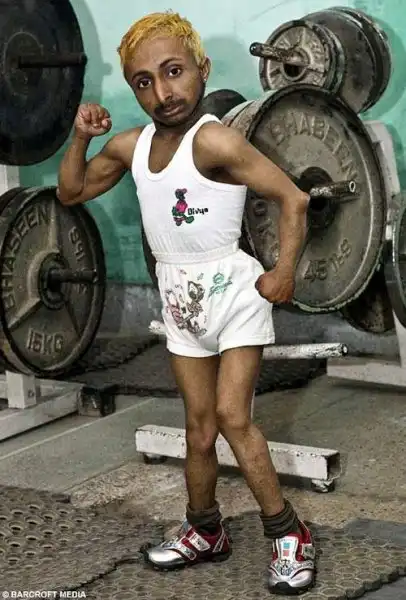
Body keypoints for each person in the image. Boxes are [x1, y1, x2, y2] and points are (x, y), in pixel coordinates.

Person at [57, 11, 315, 595]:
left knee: (231, 418)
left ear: (203, 69)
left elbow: (293, 198)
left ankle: (289, 534)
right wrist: (81, 137)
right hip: (179, 299)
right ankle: (205, 529)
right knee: (198, 430)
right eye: (144, 81)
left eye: (174, 72)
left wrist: (283, 272)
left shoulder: (215, 139)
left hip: (234, 294)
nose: (163, 92)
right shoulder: (132, 146)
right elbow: (71, 191)